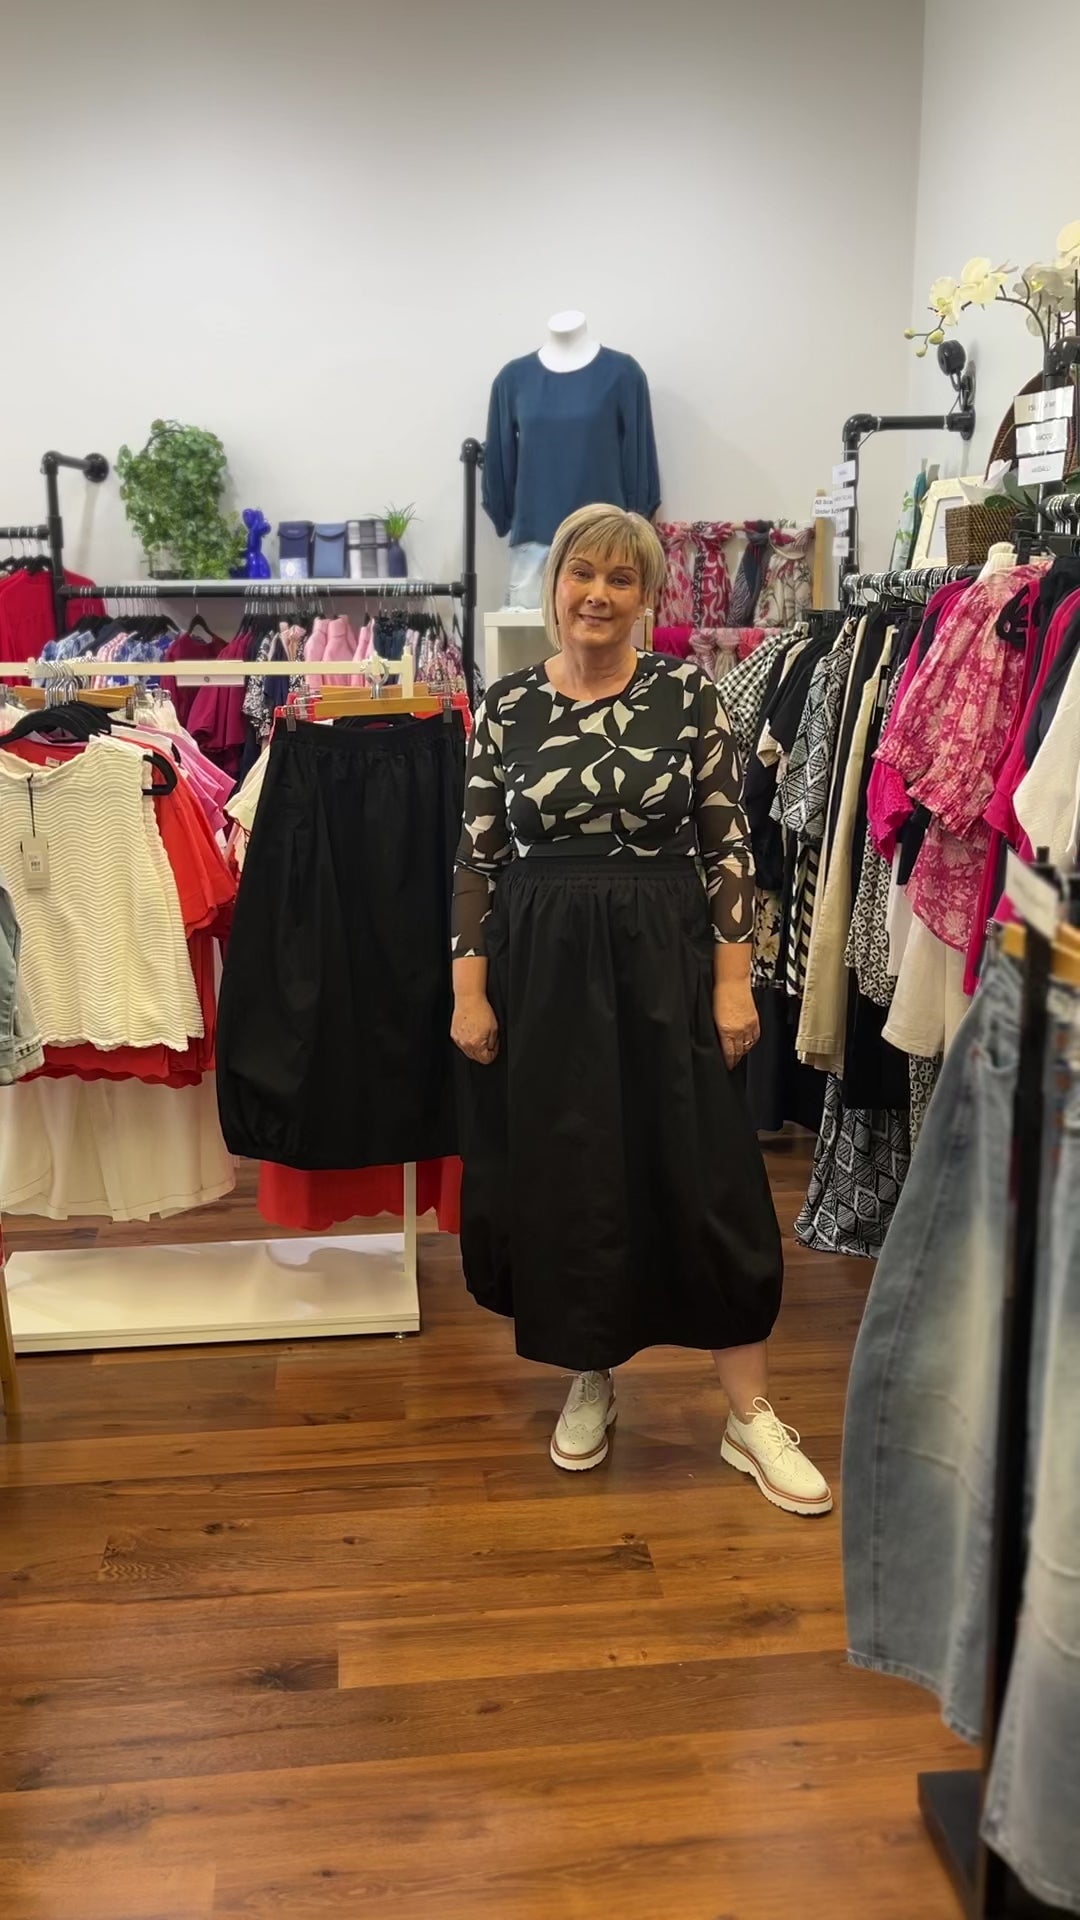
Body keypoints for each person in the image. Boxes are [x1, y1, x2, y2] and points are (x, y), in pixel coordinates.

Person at [451, 504, 830, 1517]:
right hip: (543, 969)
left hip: (666, 957)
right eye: (583, 573)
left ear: (647, 597)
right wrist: (469, 993)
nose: (599, 595)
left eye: (622, 579)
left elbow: (729, 846)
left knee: (709, 1174)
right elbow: (476, 860)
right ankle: (591, 1370)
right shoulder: (508, 706)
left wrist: (733, 981)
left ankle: (749, 1414)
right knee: (575, 1172)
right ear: (556, 585)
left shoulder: (686, 694)